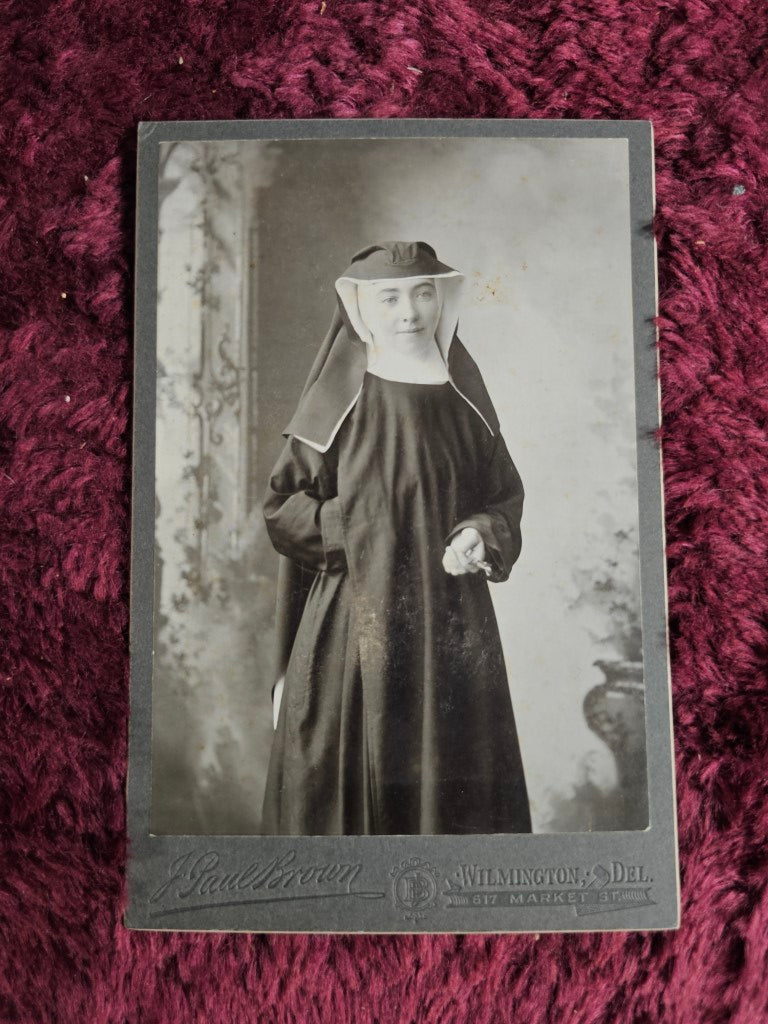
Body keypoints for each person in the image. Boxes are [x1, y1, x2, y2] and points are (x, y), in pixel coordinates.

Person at [260, 240, 531, 836]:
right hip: (353, 628)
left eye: (423, 293)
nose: (410, 312)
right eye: (391, 298)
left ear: (442, 299)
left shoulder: (465, 402)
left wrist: (479, 535)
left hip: (450, 627)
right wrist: (359, 528)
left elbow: (502, 498)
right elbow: (282, 508)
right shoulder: (339, 400)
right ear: (363, 310)